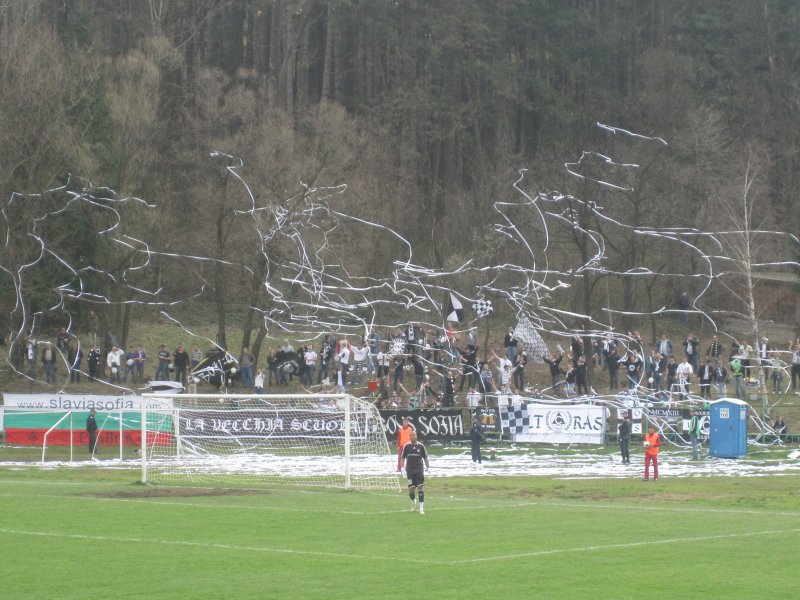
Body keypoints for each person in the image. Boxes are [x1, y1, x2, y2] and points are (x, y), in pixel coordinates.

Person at [402, 431, 430, 514]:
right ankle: (413, 500)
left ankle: (421, 509)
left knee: (420, 488)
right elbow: (402, 457)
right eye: (410, 435)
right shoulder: (406, 446)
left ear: (416, 436)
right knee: (411, 490)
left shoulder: (421, 446)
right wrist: (402, 469)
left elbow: (425, 458)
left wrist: (428, 469)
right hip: (409, 470)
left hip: (419, 470)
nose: (411, 437)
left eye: (413, 435)